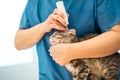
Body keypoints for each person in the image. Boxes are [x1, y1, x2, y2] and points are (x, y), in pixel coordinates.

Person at [14, 0, 120, 80]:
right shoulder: (35, 2)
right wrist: (43, 27)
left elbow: (117, 36)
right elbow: (18, 43)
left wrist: (71, 52)